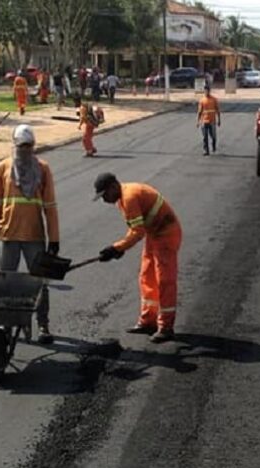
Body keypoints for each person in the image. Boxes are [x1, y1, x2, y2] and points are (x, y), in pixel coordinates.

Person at [0, 125, 59, 344]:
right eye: (21, 146)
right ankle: (5, 324)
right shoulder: (3, 168)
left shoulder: (43, 168)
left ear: (33, 146)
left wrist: (54, 239)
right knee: (6, 283)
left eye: (28, 146)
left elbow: (51, 206)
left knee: (39, 282)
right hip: (8, 234)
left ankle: (43, 325)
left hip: (34, 235)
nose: (24, 150)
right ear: (14, 145)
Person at [93, 173, 182, 343]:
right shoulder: (122, 198)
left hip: (167, 234)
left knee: (165, 280)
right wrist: (120, 249)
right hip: (154, 234)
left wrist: (116, 248)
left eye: (104, 195)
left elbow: (137, 232)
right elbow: (137, 228)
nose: (104, 200)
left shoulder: (130, 196)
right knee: (147, 276)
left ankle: (166, 327)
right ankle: (148, 321)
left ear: (113, 187)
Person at [196, 85, 221, 156]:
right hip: (204, 121)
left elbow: (218, 110)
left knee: (213, 135)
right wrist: (198, 121)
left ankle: (213, 145)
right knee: (205, 136)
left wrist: (219, 120)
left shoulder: (214, 99)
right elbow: (199, 111)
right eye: (205, 91)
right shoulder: (202, 100)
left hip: (212, 121)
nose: (206, 92)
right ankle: (206, 150)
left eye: (207, 90)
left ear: (209, 91)